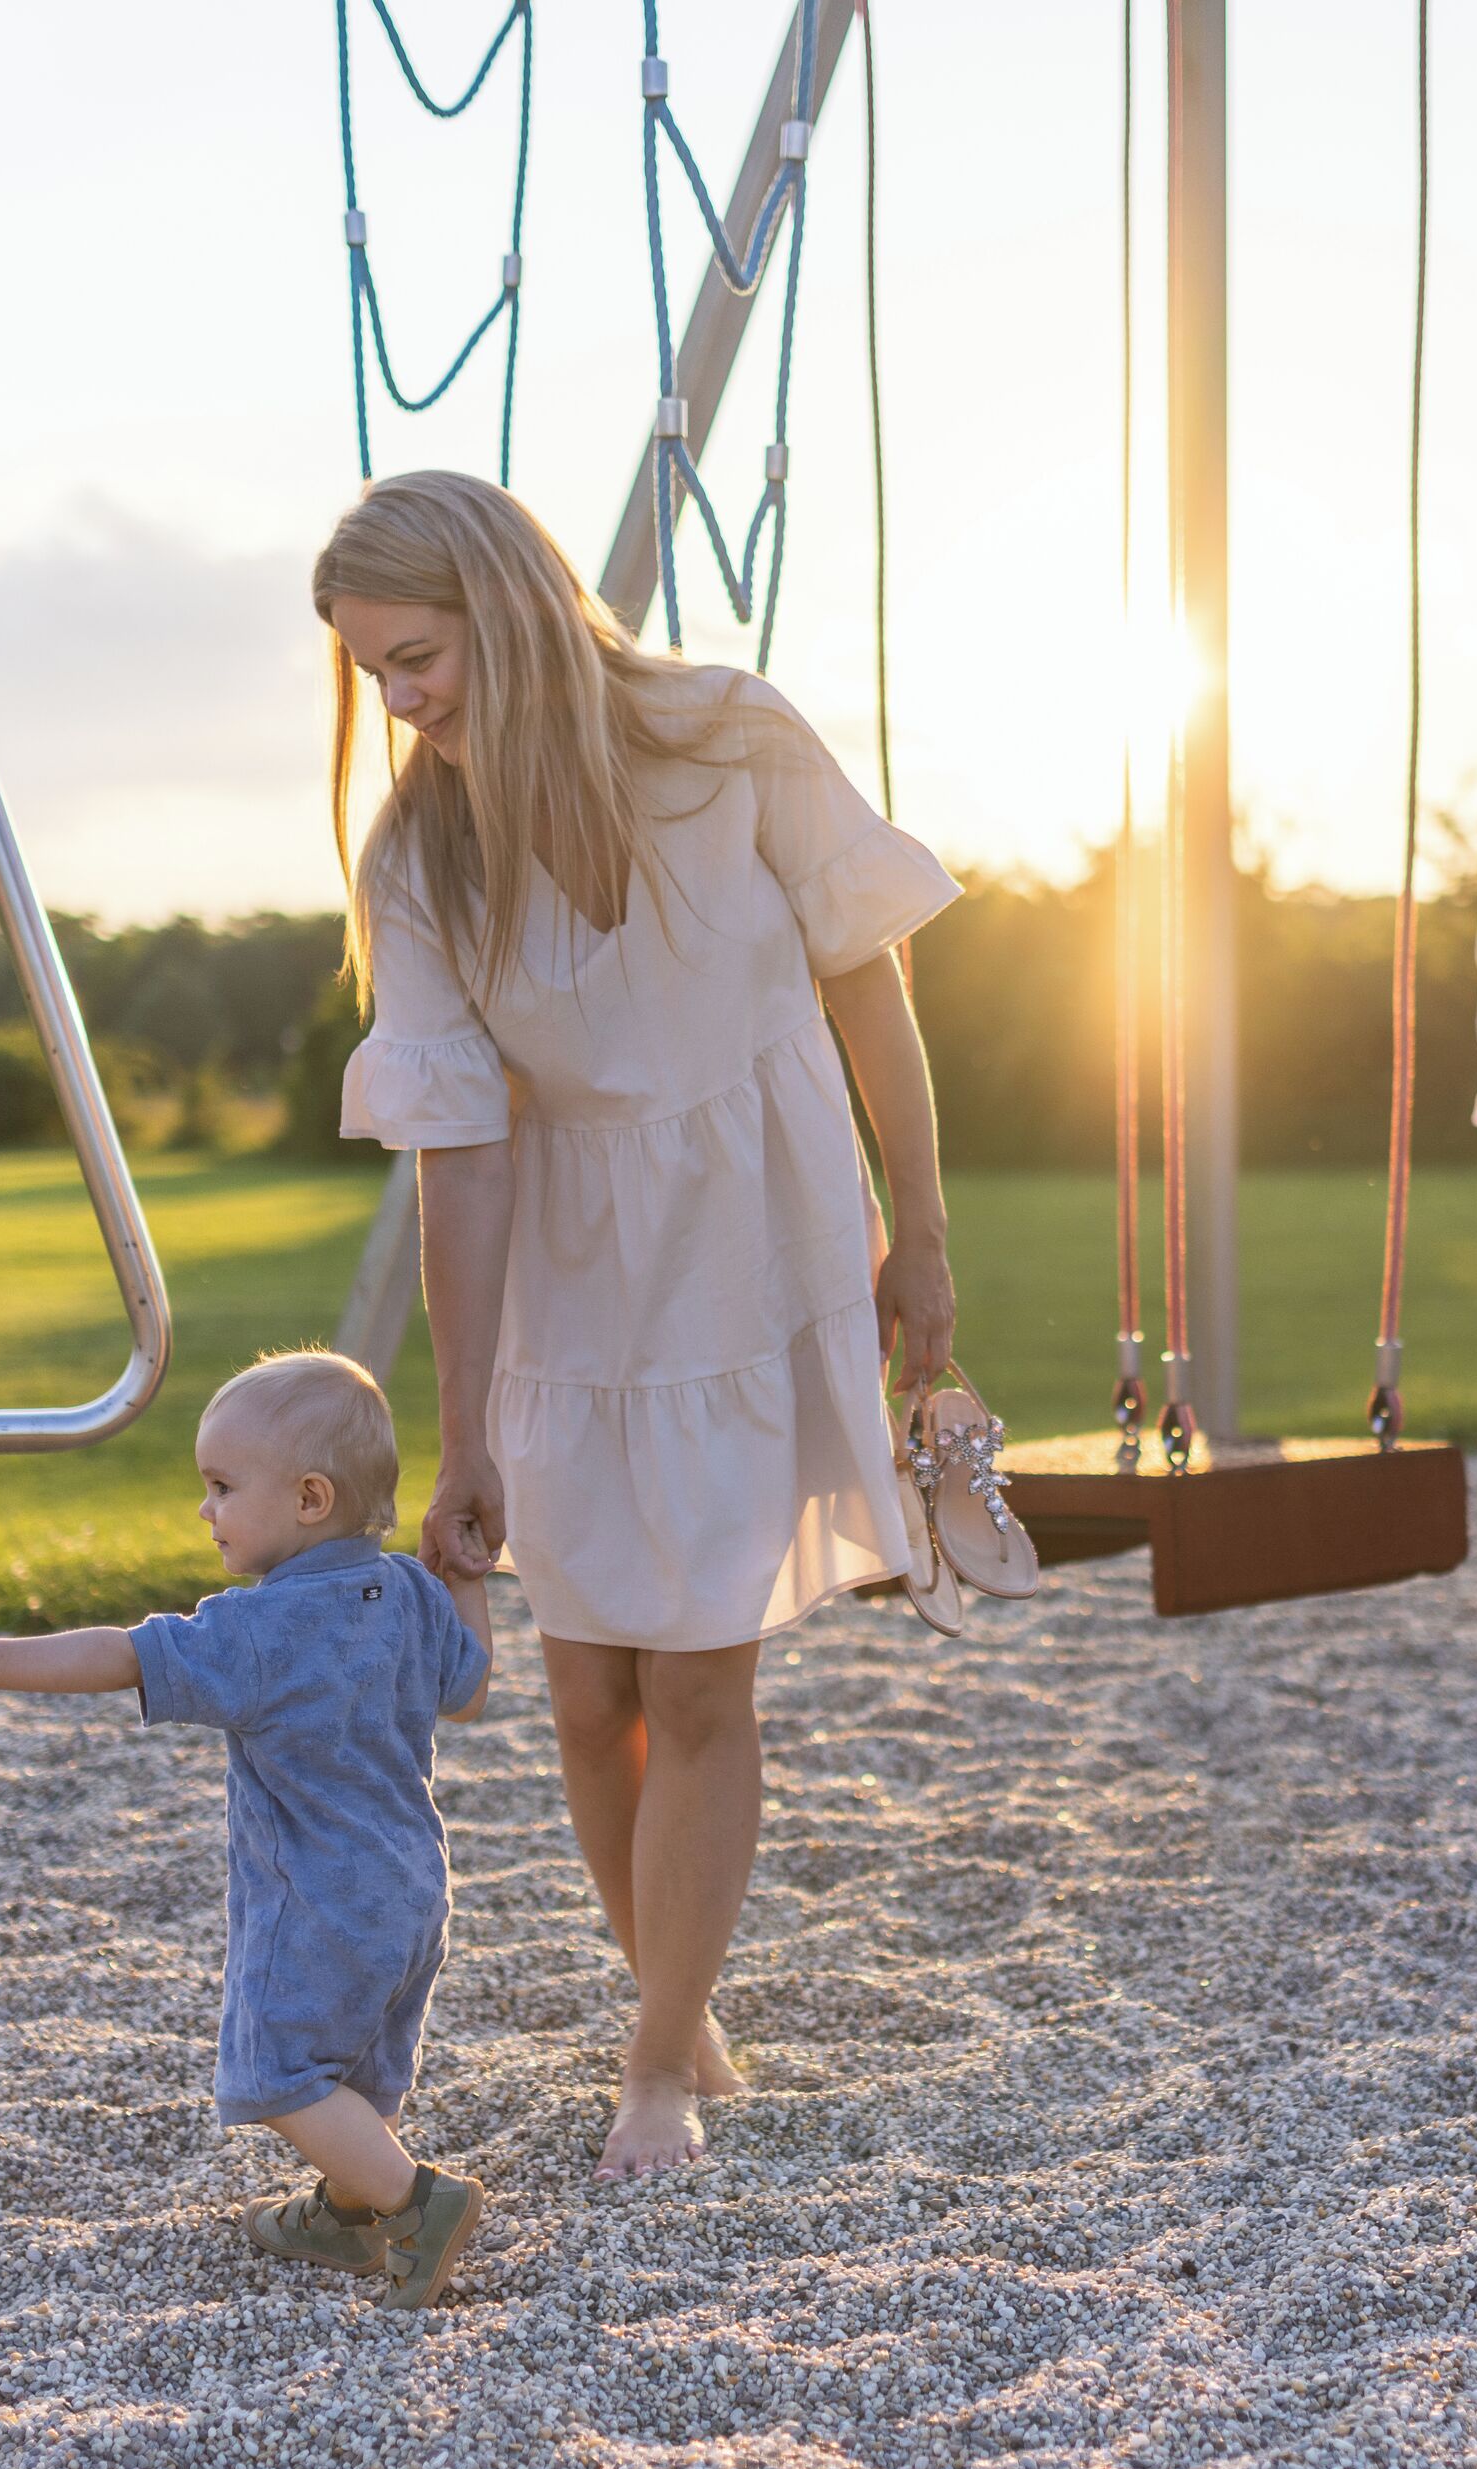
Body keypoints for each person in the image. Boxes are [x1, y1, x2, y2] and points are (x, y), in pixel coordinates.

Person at [318, 471, 962, 2178]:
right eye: (372, 671)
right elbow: (461, 1156)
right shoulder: (421, 854)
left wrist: (923, 1234)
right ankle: (680, 1996)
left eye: (416, 655)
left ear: (506, 606)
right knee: (586, 1679)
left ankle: (661, 2060)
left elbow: (868, 981)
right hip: (571, 1265)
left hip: (756, 1232)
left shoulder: (730, 735)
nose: (399, 699)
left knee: (695, 1670)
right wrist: (465, 1434)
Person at [0, 1350, 497, 2309]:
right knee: (357, 2064)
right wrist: (466, 1575)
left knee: (279, 2074)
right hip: (416, 1888)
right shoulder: (413, 1595)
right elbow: (471, 1689)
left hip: (320, 1901)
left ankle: (417, 2201)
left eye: (221, 1486)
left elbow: (122, 1655)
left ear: (309, 1498)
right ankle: (346, 2214)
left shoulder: (254, 1631)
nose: (204, 1509)